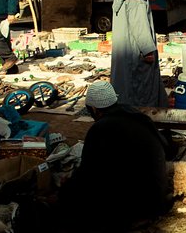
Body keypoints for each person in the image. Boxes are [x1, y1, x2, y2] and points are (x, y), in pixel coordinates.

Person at [56, 80, 173, 231]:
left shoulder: (101, 128)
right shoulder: (136, 116)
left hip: (136, 207)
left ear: (93, 109)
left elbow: (89, 173)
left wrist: (67, 188)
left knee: (72, 199)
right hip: (157, 197)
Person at [110, 0, 167, 107]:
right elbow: (139, 25)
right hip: (135, 52)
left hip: (124, 49)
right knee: (139, 89)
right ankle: (140, 121)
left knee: (123, 86)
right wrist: (148, 50)